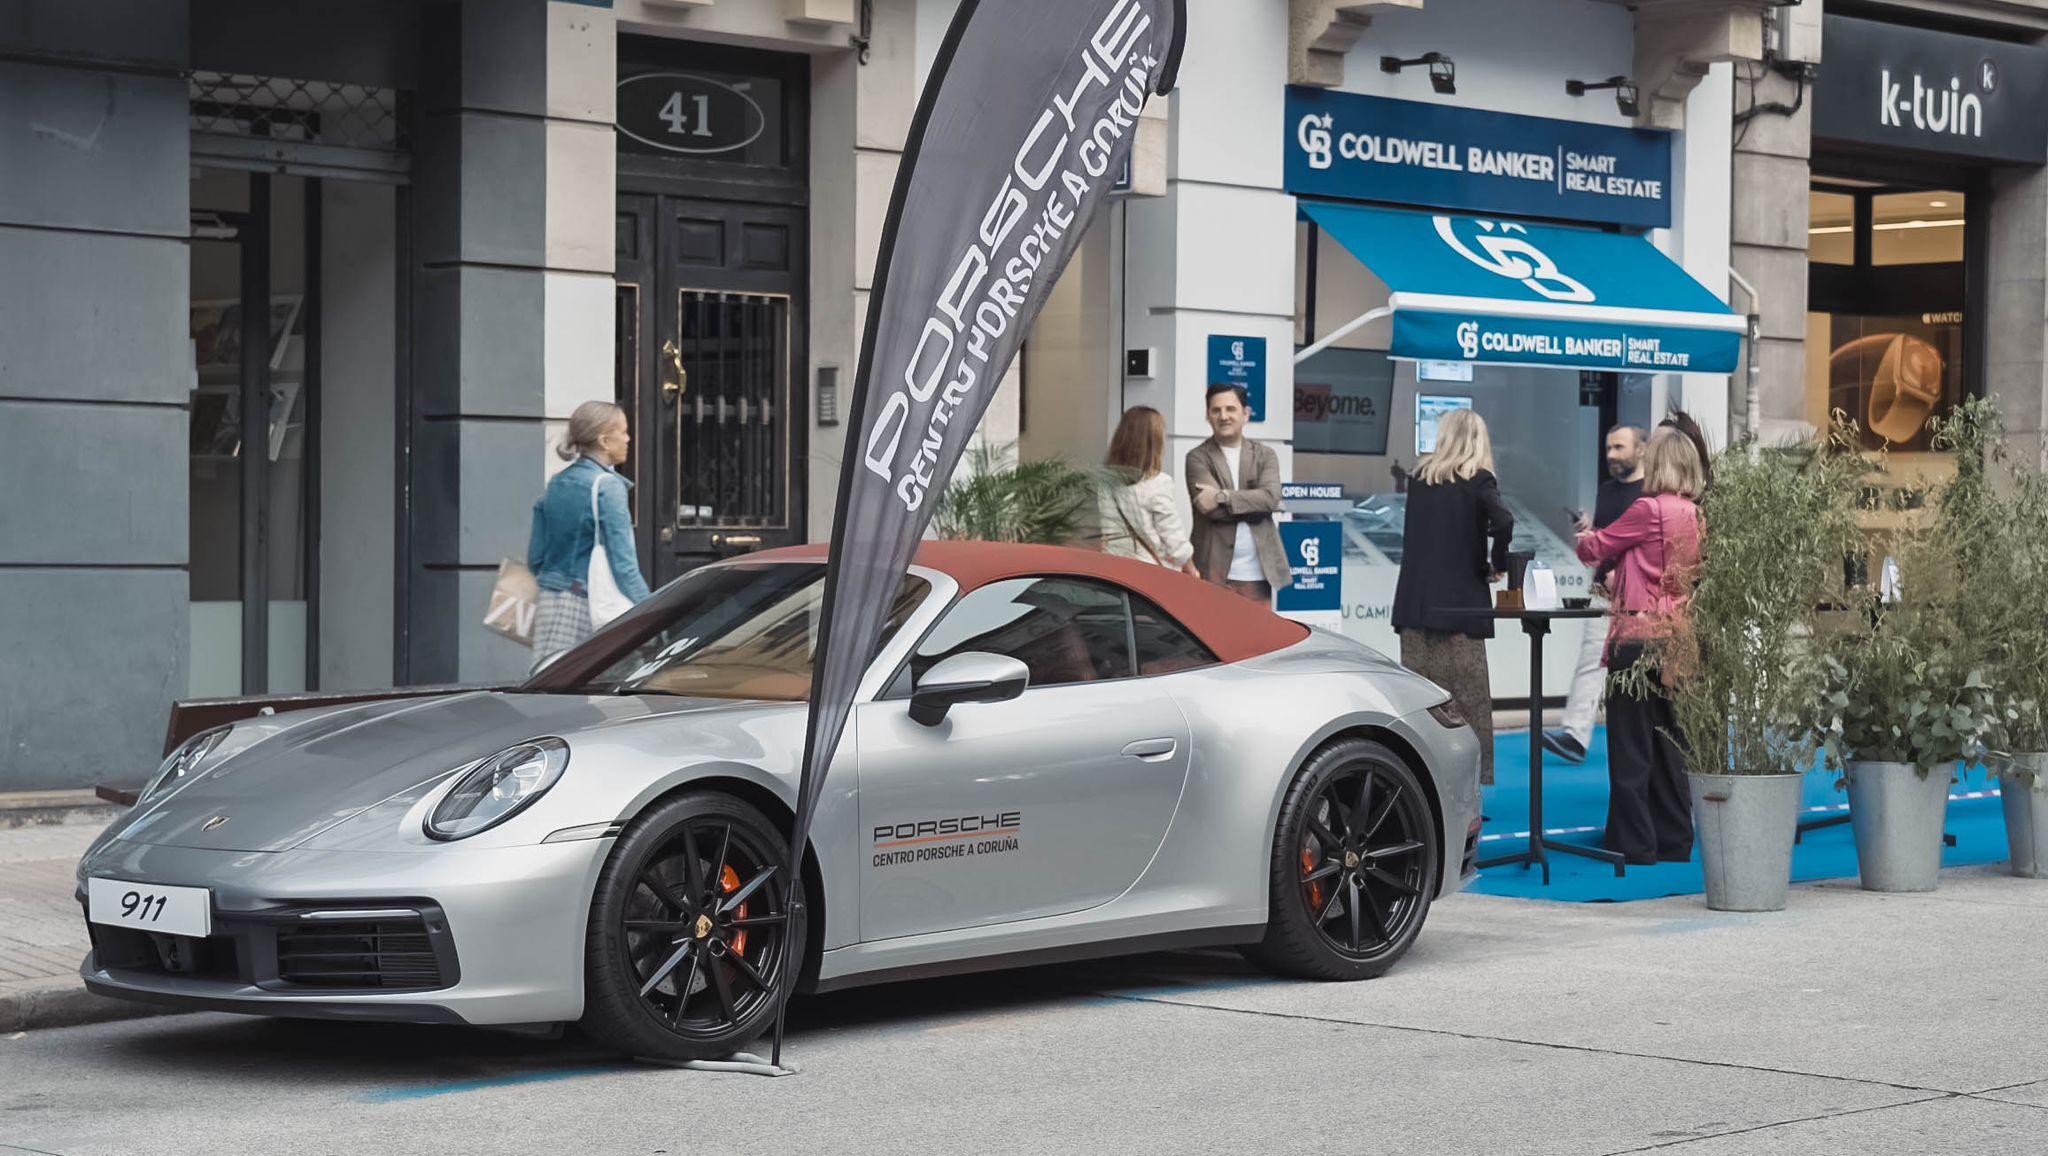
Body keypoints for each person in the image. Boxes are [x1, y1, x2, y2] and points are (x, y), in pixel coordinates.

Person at [1574, 427, 1704, 865]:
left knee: (1631, 744)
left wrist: (1584, 537)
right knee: (1670, 744)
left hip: (1637, 635)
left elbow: (1596, 549)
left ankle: (1634, 843)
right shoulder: (1695, 515)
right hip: (1677, 637)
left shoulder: (1647, 508)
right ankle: (1675, 838)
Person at [1391, 409, 1513, 785]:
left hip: (1415, 608)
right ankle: (1468, 789)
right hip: (1461, 612)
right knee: (1466, 708)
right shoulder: (1479, 480)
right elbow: (1504, 520)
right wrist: (1497, 562)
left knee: (1421, 707)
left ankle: (1422, 788)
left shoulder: (1419, 479)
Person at [1542, 425, 1647, 765]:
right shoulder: (1607, 490)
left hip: (1639, 597)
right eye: (1608, 448)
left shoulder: (1650, 492)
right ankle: (1575, 734)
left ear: (1641, 449)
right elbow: (1608, 538)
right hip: (1604, 589)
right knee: (1591, 658)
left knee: (1642, 668)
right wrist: (1591, 532)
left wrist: (1626, 575)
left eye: (1619, 447)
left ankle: (1645, 740)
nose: (1612, 455)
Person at [527, 400, 652, 673]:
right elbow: (624, 566)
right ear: (605, 441)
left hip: (550, 602)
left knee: (550, 679)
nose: (628, 439)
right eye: (624, 431)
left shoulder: (557, 482)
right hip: (590, 605)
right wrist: (651, 612)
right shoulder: (608, 487)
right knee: (616, 682)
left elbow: (535, 558)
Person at [1185, 384, 1292, 601]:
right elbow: (1210, 510)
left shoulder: (1265, 455)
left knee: (1258, 626)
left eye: (1230, 409)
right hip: (1212, 573)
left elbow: (1271, 499)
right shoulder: (1197, 457)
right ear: (1207, 415)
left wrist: (1221, 496)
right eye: (1216, 410)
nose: (1223, 416)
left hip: (1258, 574)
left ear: (1246, 414)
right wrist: (1255, 503)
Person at [1100, 406, 1199, 576]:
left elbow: (1108, 531)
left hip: (1115, 571)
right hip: (1150, 574)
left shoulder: (1106, 481)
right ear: (1154, 442)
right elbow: (1174, 539)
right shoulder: (1158, 483)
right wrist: (1192, 570)